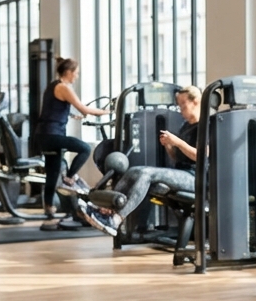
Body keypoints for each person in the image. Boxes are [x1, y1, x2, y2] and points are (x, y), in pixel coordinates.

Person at [78, 86, 204, 235]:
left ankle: (116, 220)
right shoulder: (185, 126)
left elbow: (202, 156)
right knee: (134, 171)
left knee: (145, 173)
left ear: (195, 101)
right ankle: (106, 211)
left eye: (183, 103)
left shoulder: (206, 125)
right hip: (181, 173)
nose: (180, 108)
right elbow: (177, 158)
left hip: (196, 177)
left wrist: (177, 143)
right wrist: (169, 146)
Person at [30, 57, 109, 217]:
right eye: (76, 73)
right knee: (85, 148)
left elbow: (54, 108)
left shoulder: (53, 86)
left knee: (52, 171)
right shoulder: (64, 87)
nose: (77, 76)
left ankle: (49, 207)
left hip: (44, 135)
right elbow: (84, 109)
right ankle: (69, 178)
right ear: (68, 72)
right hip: (51, 135)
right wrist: (107, 112)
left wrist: (73, 115)